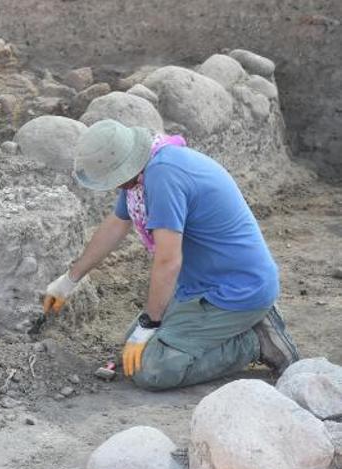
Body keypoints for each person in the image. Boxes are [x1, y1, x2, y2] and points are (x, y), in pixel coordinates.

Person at [42, 119, 299, 391]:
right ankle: (232, 329)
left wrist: (150, 323)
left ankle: (256, 341)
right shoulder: (144, 172)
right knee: (133, 346)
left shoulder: (163, 176)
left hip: (237, 290)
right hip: (200, 285)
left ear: (127, 165)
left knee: (150, 370)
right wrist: (69, 280)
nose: (114, 186)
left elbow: (168, 261)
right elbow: (115, 226)